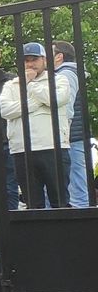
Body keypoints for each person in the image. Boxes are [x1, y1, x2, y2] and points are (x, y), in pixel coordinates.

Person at [0, 42, 73, 210]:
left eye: (34, 59)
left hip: (53, 147)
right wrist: (36, 103)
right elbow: (5, 111)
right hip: (22, 149)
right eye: (26, 60)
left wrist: (30, 84)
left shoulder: (59, 80)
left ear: (44, 60)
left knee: (60, 202)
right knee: (33, 205)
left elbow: (56, 99)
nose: (30, 64)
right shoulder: (11, 85)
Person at [54, 42, 90, 207]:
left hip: (70, 136)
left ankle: (81, 213)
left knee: (75, 179)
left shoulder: (66, 74)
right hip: (74, 134)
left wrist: (62, 132)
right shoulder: (70, 72)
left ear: (59, 56)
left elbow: (66, 106)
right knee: (76, 176)